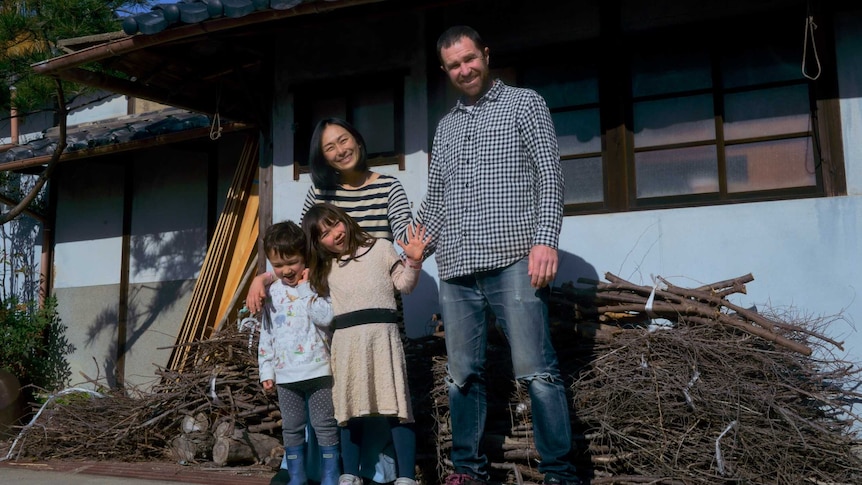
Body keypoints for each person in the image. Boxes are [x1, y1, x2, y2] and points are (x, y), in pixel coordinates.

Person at [415, 25, 582, 485]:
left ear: (485, 55)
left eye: (470, 59)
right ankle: (469, 472)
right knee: (462, 376)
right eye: (454, 65)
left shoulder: (525, 103)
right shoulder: (445, 127)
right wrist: (411, 248)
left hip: (513, 259)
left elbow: (551, 175)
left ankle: (559, 474)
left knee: (537, 371)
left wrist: (545, 239)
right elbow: (436, 200)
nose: (464, 69)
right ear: (445, 70)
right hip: (456, 267)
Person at [246, 117, 414, 484]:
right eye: (329, 147)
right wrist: (265, 276)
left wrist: (414, 251)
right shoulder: (322, 190)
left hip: (375, 309)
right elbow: (299, 250)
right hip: (332, 309)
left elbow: (404, 236)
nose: (340, 150)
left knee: (381, 394)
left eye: (344, 140)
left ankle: (382, 472)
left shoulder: (389, 187)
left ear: (357, 138)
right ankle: (316, 470)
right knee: (337, 398)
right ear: (321, 157)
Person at [302, 202, 427, 485]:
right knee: (349, 408)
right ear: (317, 243)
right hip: (346, 342)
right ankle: (350, 474)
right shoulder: (324, 268)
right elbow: (291, 271)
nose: (334, 233)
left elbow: (405, 284)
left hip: (383, 338)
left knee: (396, 405)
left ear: (344, 219)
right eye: (324, 233)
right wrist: (263, 278)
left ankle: (406, 477)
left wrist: (415, 260)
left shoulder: (381, 248)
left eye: (335, 224)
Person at [256, 221, 339, 485]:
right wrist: (266, 369)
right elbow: (266, 333)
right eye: (277, 265)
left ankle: (330, 476)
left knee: (324, 425)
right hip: (286, 375)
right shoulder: (271, 292)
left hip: (319, 371)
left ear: (304, 255)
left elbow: (327, 318)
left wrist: (305, 289)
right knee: (292, 428)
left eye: (291, 261)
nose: (286, 270)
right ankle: (297, 477)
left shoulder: (317, 283)